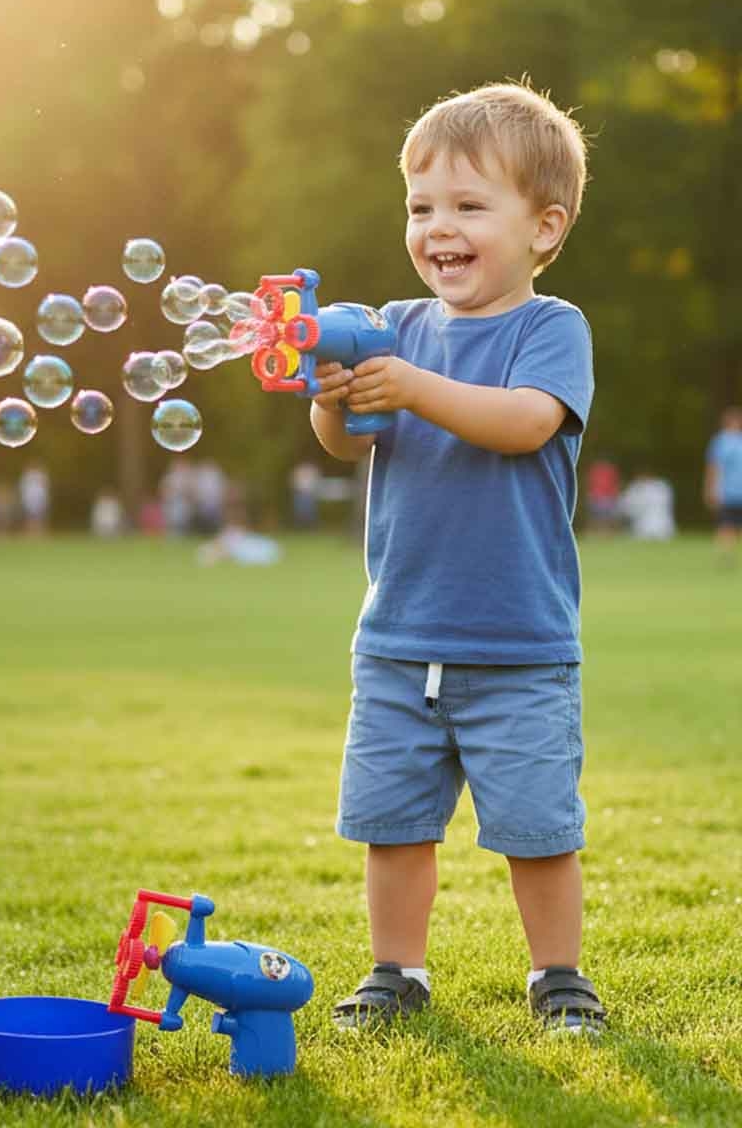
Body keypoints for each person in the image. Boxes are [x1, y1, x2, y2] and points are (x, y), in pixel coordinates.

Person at [309, 81, 606, 1034]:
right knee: (393, 825)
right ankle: (396, 972)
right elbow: (345, 441)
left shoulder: (548, 329)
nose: (440, 226)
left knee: (537, 828)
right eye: (421, 206)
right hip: (398, 638)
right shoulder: (395, 327)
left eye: (470, 206)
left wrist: (411, 386)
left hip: (519, 645)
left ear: (544, 228)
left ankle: (557, 975)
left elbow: (524, 425)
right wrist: (334, 396)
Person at [704, 406, 742, 564]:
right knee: (726, 525)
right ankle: (724, 557)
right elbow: (713, 468)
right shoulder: (720, 442)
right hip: (728, 492)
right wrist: (711, 489)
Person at [618, 469, 675, 540]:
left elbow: (628, 508)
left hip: (653, 527)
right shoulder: (662, 487)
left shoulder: (659, 487)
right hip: (649, 527)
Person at [584, 458, 621, 534]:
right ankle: (596, 532)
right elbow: (590, 483)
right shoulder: (595, 470)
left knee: (608, 517)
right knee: (596, 517)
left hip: (608, 497)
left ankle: (608, 532)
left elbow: (615, 483)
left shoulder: (610, 470)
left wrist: (614, 495)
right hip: (596, 497)